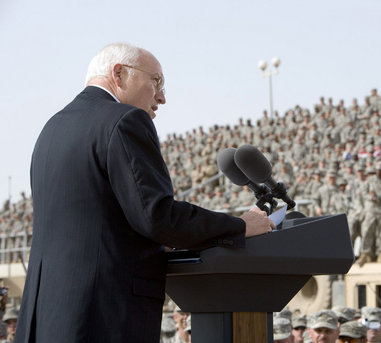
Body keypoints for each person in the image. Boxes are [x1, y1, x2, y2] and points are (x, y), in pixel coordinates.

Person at [14, 42, 273, 343]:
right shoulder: (124, 120)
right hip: (104, 318)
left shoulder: (52, 128)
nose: (162, 97)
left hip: (47, 317)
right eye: (156, 81)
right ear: (119, 73)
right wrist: (241, 225)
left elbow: (94, 220)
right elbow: (157, 216)